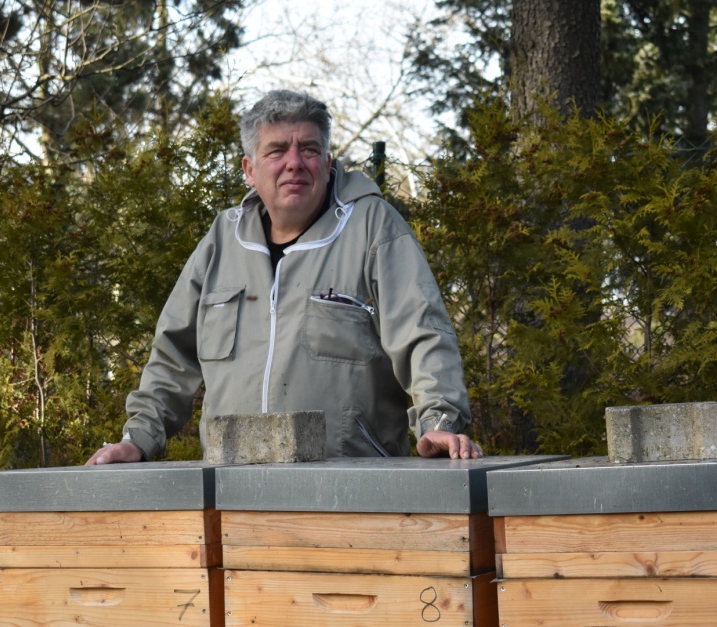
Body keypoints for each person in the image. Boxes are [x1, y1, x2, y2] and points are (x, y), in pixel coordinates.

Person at [87, 90, 481, 465]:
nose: (295, 162)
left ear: (327, 164)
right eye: (277, 150)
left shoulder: (372, 227)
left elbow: (422, 331)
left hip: (354, 490)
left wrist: (439, 423)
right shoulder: (222, 241)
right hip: (232, 488)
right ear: (249, 170)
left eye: (309, 150)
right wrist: (136, 439)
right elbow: (172, 356)